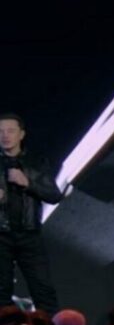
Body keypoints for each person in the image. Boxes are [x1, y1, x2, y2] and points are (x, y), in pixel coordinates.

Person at [0, 113, 61, 313]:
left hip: (29, 235)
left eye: (10, 131)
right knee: (1, 294)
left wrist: (27, 182)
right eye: (0, 132)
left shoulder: (36, 162)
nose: (5, 136)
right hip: (1, 236)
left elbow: (54, 195)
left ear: (21, 134)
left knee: (43, 291)